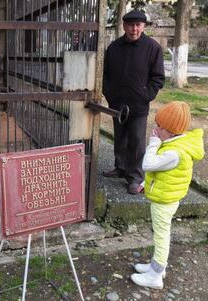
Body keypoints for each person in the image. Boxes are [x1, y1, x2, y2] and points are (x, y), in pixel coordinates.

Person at [130, 101, 205, 289]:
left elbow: (147, 165)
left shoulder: (174, 152)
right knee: (160, 234)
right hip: (167, 197)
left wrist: (153, 144)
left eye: (159, 127)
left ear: (171, 131)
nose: (155, 130)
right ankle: (156, 267)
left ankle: (155, 276)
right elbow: (160, 172)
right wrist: (145, 183)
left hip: (164, 202)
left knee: (161, 236)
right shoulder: (176, 143)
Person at [102, 10, 165, 194]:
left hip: (138, 105)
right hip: (117, 103)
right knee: (120, 137)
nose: (134, 29)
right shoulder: (114, 47)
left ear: (143, 26)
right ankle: (120, 167)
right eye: (130, 25)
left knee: (136, 141)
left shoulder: (152, 48)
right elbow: (105, 74)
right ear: (124, 26)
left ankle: (135, 177)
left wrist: (145, 95)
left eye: (138, 25)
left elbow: (158, 78)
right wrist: (109, 94)